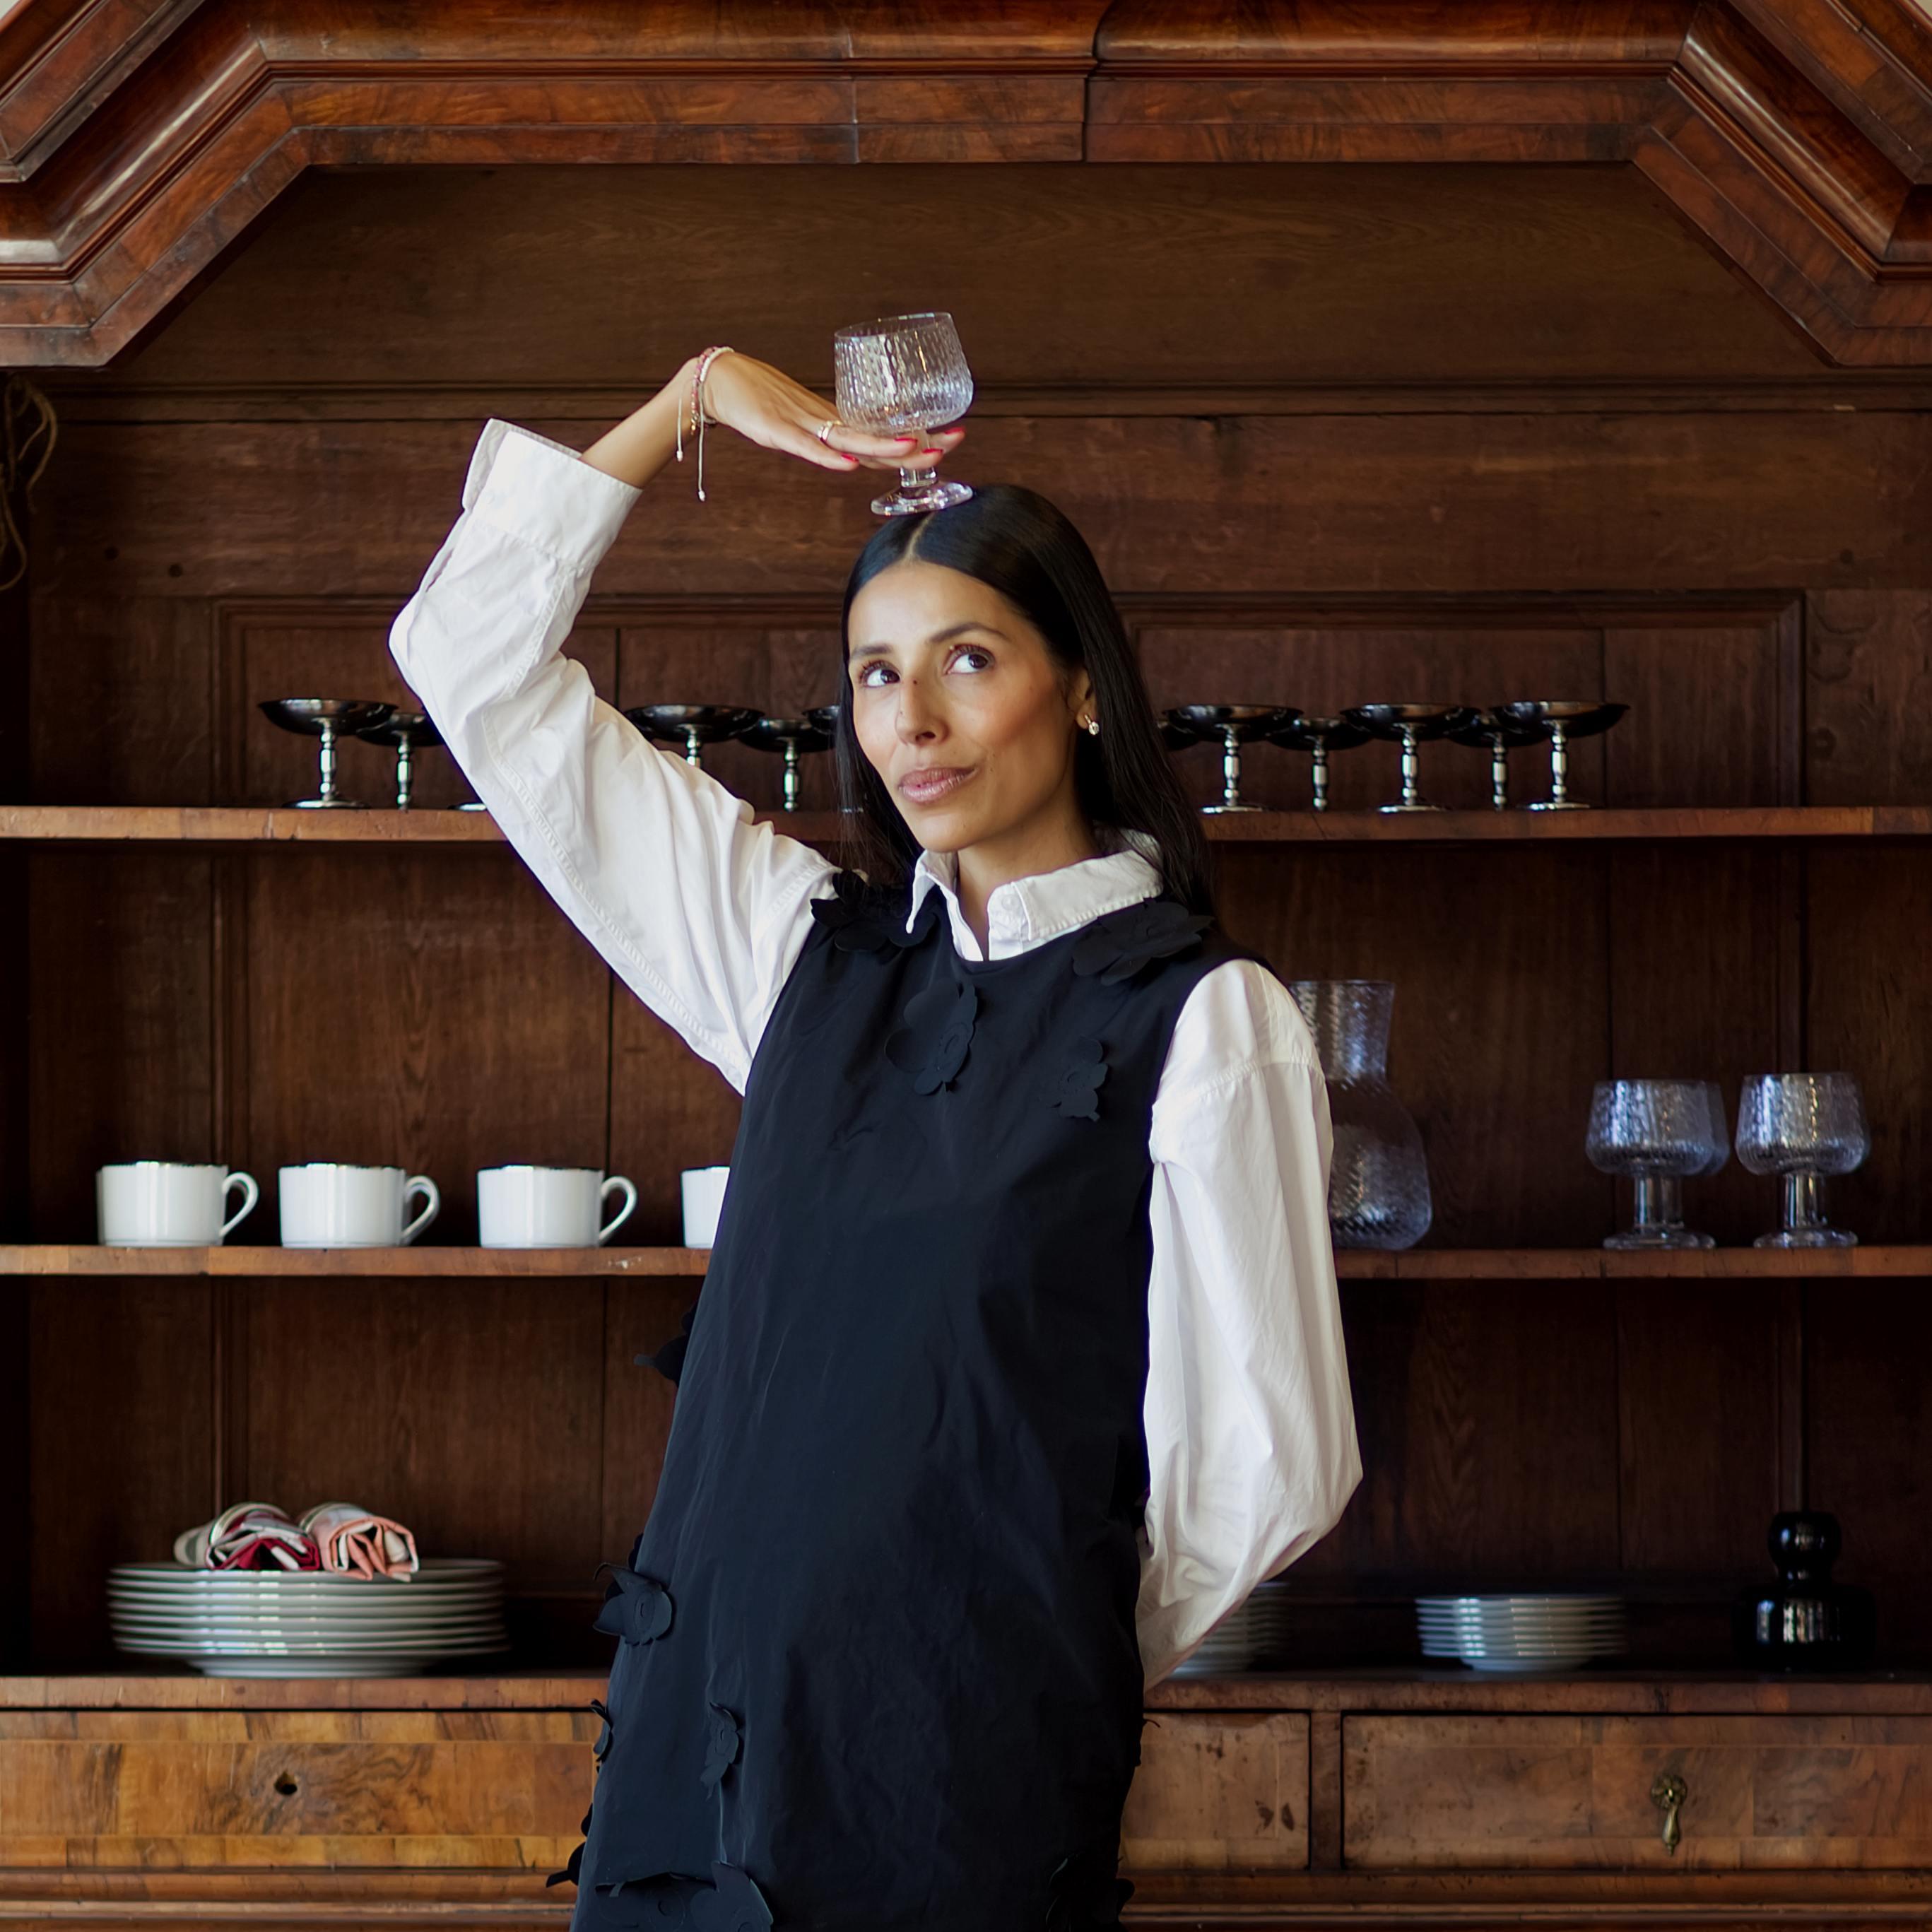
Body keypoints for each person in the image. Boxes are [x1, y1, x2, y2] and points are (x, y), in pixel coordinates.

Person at [389, 346, 1362, 1932]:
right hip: (684, 1770)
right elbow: (470, 664)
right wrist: (686, 404)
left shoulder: (1201, 1014)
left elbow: (1269, 1457)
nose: (911, 720)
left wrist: (1003, 1633)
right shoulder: (798, 958)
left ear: (1084, 683)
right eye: (870, 671)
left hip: (956, 1779)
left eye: (966, 658)